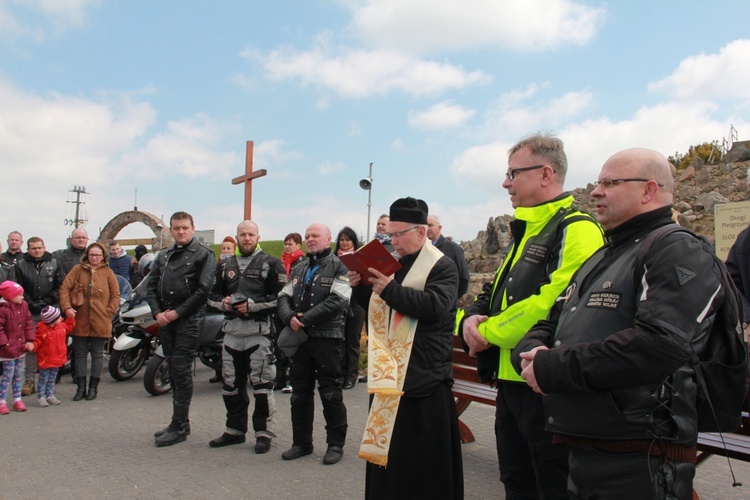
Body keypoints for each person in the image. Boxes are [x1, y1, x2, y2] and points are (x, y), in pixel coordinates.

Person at [511, 148, 726, 498]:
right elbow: (551, 319)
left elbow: (660, 345)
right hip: (585, 443)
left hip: (640, 455)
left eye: (611, 183)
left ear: (648, 190)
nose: (596, 191)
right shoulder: (604, 255)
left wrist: (552, 367)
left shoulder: (676, 250)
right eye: (598, 183)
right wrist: (530, 353)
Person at [459, 133, 605, 499]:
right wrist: (472, 317)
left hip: (545, 384)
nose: (505, 182)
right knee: (516, 481)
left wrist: (489, 331)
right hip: (510, 381)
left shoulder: (578, 228)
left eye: (513, 172)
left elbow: (554, 300)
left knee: (552, 486)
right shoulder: (526, 228)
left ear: (545, 173)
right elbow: (496, 288)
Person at [350, 197, 464, 499]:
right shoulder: (394, 264)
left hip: (424, 379)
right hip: (390, 378)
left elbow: (434, 307)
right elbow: (381, 308)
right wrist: (361, 286)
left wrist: (389, 288)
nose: (393, 241)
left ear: (421, 232)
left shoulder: (443, 266)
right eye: (391, 235)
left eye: (399, 235)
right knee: (392, 467)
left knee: (424, 471)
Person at [207, 220, 286, 454]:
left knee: (261, 386)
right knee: (230, 385)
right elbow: (210, 295)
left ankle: (264, 433)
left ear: (258, 237)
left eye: (251, 234)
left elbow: (282, 297)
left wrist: (253, 306)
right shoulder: (225, 265)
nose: (247, 238)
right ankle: (234, 430)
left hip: (258, 334)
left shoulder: (272, 263)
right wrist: (224, 303)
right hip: (231, 335)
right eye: (243, 234)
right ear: (237, 237)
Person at [276, 223, 350, 465]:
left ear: (328, 239)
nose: (310, 239)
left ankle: (335, 445)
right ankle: (301, 443)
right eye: (307, 236)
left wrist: (304, 320)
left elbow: (338, 301)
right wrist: (289, 318)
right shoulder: (299, 267)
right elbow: (283, 296)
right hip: (301, 342)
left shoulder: (341, 266)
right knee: (299, 394)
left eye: (315, 235)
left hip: (327, 340)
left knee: (330, 394)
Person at [146, 211, 215, 447]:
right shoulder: (163, 256)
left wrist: (177, 313)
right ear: (171, 230)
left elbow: (203, 290)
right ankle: (180, 422)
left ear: (193, 228)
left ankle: (179, 426)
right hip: (166, 320)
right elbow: (151, 285)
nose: (181, 231)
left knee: (181, 370)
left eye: (185, 227)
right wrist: (157, 313)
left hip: (189, 320)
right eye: (176, 228)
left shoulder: (204, 255)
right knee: (173, 370)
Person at [59, 242, 120, 402]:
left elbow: (115, 295)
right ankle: (80, 388)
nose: (94, 258)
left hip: (101, 320)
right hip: (80, 319)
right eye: (92, 254)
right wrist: (67, 308)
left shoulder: (108, 272)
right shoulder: (77, 270)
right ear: (87, 255)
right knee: (79, 355)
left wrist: (109, 312)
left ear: (103, 257)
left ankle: (93, 389)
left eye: (98, 255)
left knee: (97, 355)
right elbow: (65, 288)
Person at [13, 236, 65, 397]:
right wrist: (31, 303)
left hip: (51, 310)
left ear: (44, 247)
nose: (37, 250)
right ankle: (29, 380)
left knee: (52, 346)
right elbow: (18, 287)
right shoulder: (20, 265)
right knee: (31, 345)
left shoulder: (54, 263)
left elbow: (60, 285)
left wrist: (46, 301)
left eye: (39, 247)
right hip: (30, 310)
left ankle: (49, 381)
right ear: (28, 249)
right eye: (33, 248)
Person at [334, 226, 365, 389]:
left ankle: (352, 375)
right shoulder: (333, 258)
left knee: (352, 340)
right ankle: (340, 373)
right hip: (338, 303)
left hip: (356, 302)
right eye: (342, 239)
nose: (344, 243)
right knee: (339, 339)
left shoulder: (359, 257)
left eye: (348, 239)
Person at [274, 232, 305, 393]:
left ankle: (293, 379)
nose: (287, 247)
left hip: (295, 308)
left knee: (294, 345)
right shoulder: (280, 262)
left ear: (298, 246)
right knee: (279, 344)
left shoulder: (302, 263)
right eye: (285, 243)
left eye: (290, 244)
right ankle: (279, 378)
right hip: (281, 307)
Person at [0, 281, 34, 414]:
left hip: (20, 347)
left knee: (18, 374)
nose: (22, 297)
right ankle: (2, 401)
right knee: (8, 375)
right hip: (7, 350)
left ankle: (17, 399)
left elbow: (28, 323)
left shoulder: (24, 306)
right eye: (19, 295)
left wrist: (30, 340)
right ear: (9, 296)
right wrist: (5, 344)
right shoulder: (2, 309)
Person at [33, 306, 75, 407]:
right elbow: (37, 341)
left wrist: (71, 318)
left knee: (52, 378)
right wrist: (32, 346)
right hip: (45, 359)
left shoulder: (61, 326)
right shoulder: (42, 330)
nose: (61, 318)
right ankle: (41, 397)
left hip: (57, 358)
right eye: (58, 317)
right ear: (52, 321)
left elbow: (69, 327)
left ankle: (50, 395)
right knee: (43, 378)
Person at [427, 215, 470, 298]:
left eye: (430, 225)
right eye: (425, 226)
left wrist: (452, 300)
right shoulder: (421, 249)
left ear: (439, 228)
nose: (427, 228)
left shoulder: (453, 249)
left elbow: (464, 278)